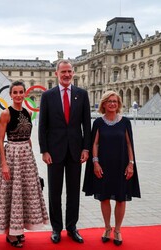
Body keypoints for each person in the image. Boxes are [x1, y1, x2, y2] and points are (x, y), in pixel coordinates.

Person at [0, 81, 48, 248]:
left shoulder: (28, 112)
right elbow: (0, 139)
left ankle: (18, 229)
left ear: (24, 94)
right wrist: (4, 164)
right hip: (11, 154)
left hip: (26, 157)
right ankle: (10, 233)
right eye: (15, 92)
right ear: (11, 94)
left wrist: (30, 154)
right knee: (10, 194)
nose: (18, 95)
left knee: (24, 194)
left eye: (21, 92)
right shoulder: (6, 113)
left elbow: (28, 136)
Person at [38, 59, 91, 244]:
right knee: (54, 191)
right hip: (54, 151)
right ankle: (56, 228)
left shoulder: (82, 94)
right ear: (57, 74)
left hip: (76, 150)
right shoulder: (48, 96)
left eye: (69, 71)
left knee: (73, 191)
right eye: (63, 72)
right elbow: (42, 125)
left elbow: (86, 124)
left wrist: (86, 148)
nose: (67, 75)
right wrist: (44, 150)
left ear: (73, 73)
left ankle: (72, 227)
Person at [83, 90, 141, 246]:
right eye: (109, 101)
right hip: (103, 165)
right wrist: (95, 162)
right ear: (104, 104)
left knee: (121, 198)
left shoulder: (125, 122)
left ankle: (118, 230)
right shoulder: (98, 122)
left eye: (115, 101)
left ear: (119, 103)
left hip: (122, 165)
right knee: (105, 197)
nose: (112, 104)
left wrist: (131, 164)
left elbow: (130, 144)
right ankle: (108, 228)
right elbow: (94, 144)